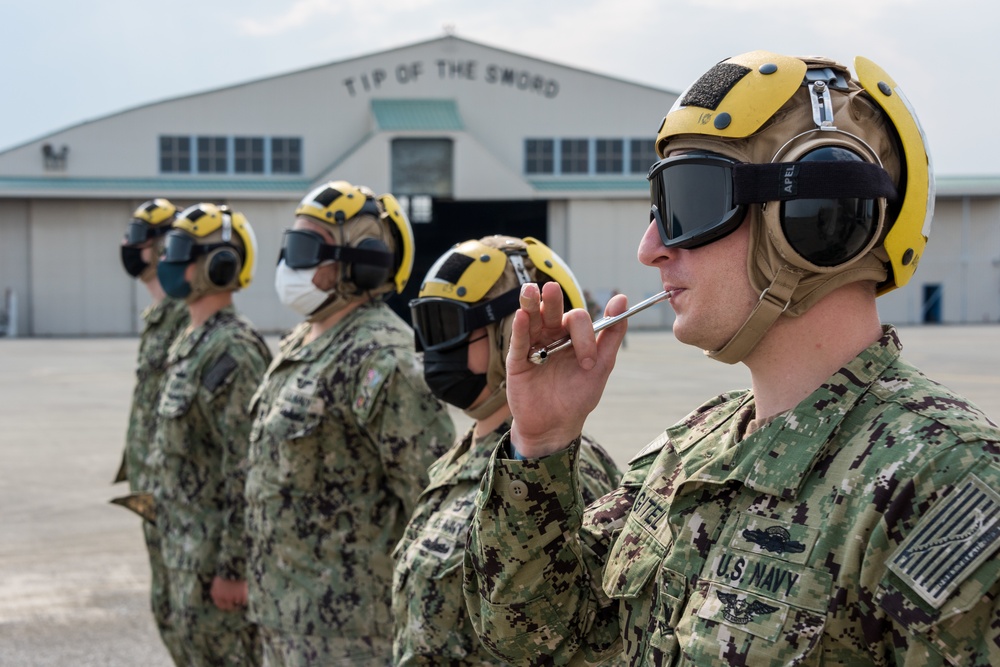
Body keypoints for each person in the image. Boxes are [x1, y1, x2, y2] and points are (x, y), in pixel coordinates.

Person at [464, 51, 1000, 665]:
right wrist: (542, 445)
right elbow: (535, 642)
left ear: (812, 220)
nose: (650, 249)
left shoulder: (946, 485)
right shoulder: (687, 453)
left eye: (687, 203)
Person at [244, 180, 455, 666]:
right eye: (288, 246)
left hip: (353, 637)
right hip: (283, 618)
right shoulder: (303, 341)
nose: (287, 263)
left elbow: (430, 504)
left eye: (303, 248)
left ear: (363, 261)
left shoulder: (383, 357)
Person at [395, 235, 624, 665]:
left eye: (448, 327)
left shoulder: (560, 465)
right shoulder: (461, 454)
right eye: (427, 329)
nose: (432, 349)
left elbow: (585, 638)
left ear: (513, 332)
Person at [153, 202, 271, 666]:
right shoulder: (190, 340)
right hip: (185, 557)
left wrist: (234, 569)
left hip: (215, 574)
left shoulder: (234, 350)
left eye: (180, 251)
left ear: (219, 264)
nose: (168, 262)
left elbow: (247, 469)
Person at [110, 198, 189, 664]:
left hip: (178, 499)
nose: (126, 244)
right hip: (156, 496)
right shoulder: (160, 316)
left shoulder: (182, 317)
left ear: (160, 248)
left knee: (188, 617)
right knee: (169, 610)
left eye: (136, 235)